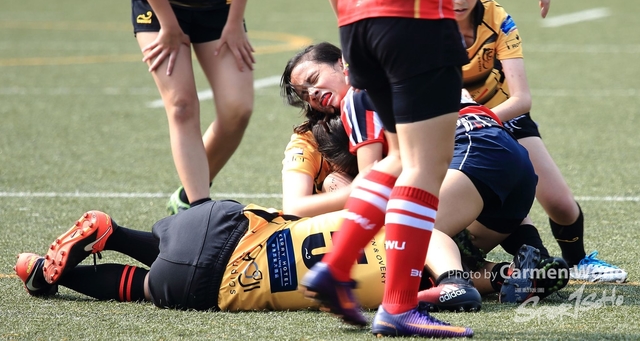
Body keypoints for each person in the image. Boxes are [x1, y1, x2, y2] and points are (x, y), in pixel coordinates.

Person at [302, 0, 550, 336]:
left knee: (400, 158)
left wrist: (355, 23)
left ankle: (337, 267)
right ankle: (395, 306)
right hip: (414, 16)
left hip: (356, 19)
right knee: (424, 167)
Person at [282, 43, 568, 306]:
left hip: (473, 147)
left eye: (313, 79)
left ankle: (454, 284)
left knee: (408, 224)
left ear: (341, 62)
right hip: (510, 163)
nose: (312, 94)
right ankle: (527, 268)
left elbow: (371, 180)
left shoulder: (356, 95)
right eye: (304, 94)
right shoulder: (401, 67)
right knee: (444, 248)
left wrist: (342, 200)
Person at [14, 200, 473, 331]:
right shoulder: (414, 266)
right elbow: (462, 286)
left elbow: (459, 274)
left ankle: (108, 234)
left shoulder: (387, 219)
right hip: (215, 278)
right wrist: (452, 285)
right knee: (148, 287)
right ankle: (53, 273)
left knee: (165, 249)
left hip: (219, 219)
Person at [451, 0, 628, 283]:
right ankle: (526, 264)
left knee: (560, 204)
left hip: (503, 114)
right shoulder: (420, 24)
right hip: (446, 127)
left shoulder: (496, 17)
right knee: (490, 195)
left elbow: (522, 98)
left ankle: (577, 261)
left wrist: (479, 120)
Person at [124, 0, 258, 213]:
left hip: (219, 2)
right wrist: (169, 24)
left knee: (238, 109)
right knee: (182, 106)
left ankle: (186, 197)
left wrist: (235, 21)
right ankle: (198, 211)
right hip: (157, 3)